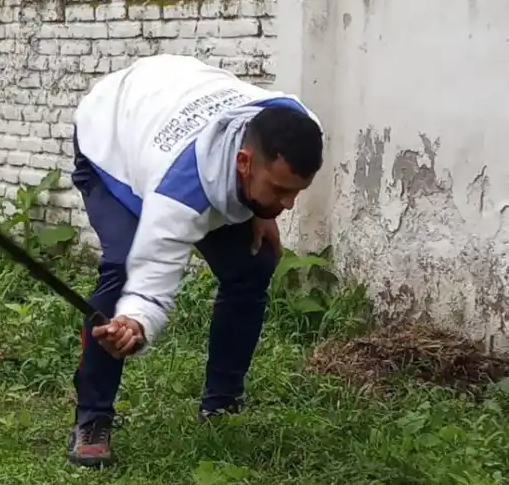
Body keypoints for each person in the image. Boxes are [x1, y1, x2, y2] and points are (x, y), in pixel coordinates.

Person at [67, 54, 324, 467]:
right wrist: (135, 322)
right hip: (112, 136)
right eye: (279, 190)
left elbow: (276, 165)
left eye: (295, 191)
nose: (289, 205)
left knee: (252, 264)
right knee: (122, 271)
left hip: (171, 94)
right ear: (244, 163)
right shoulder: (179, 192)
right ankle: (92, 419)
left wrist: (263, 207)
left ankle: (220, 406)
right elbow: (150, 281)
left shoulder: (299, 123)